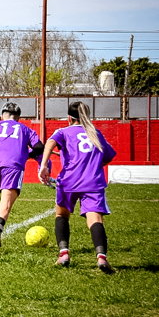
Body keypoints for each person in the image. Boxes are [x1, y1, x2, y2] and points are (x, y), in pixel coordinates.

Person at [38, 102, 117, 273]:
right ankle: (101, 257)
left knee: (62, 215)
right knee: (95, 220)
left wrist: (43, 166)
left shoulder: (63, 131)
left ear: (69, 117)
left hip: (69, 181)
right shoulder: (96, 133)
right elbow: (108, 157)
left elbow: (50, 142)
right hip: (93, 182)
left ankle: (64, 254)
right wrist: (93, 165)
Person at [0, 102, 46, 254]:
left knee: (3, 200)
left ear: (3, 115)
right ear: (18, 117)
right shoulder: (26, 129)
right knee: (6, 205)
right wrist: (28, 154)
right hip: (12, 165)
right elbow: (39, 147)